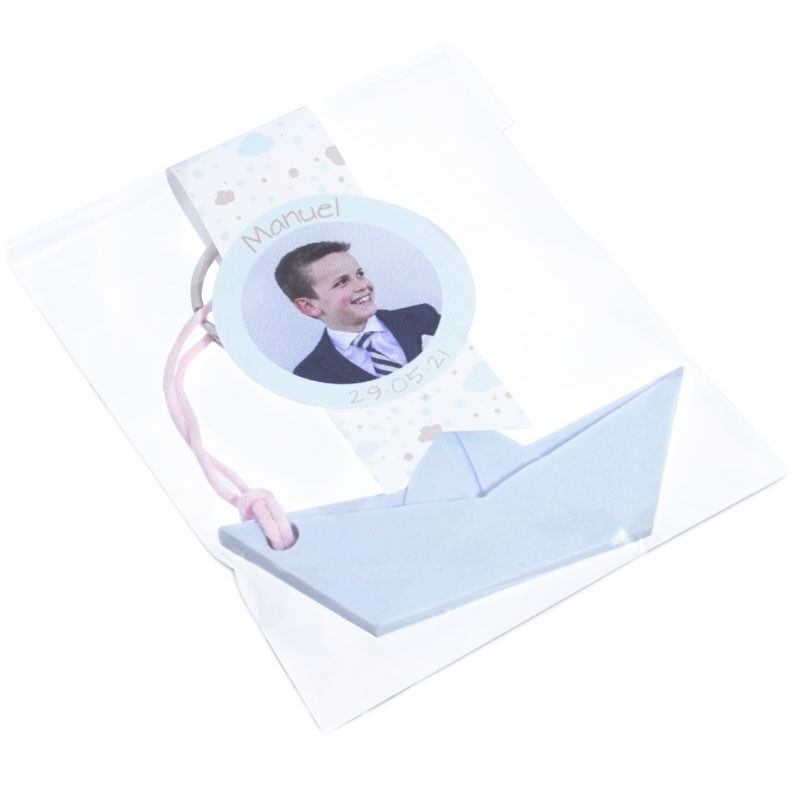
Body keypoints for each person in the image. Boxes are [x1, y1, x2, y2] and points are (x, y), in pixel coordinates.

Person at [274, 241, 440, 384]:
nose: (362, 285)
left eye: (360, 274)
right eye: (341, 282)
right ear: (309, 306)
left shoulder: (423, 318)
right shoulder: (310, 375)